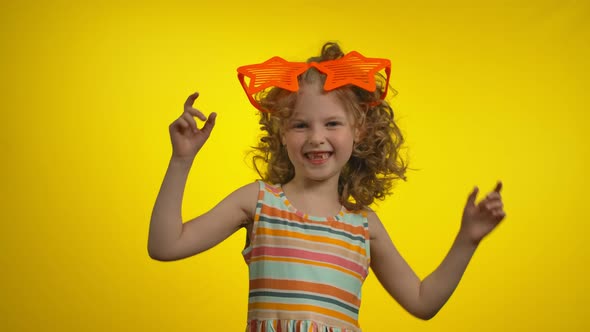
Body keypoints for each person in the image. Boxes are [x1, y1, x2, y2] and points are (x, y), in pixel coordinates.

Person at [148, 42, 506, 332]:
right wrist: (182, 160)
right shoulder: (259, 201)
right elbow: (165, 246)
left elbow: (422, 302)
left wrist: (467, 240)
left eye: (332, 123)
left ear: (359, 130)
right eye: (301, 125)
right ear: (281, 132)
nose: (316, 138)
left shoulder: (364, 226)